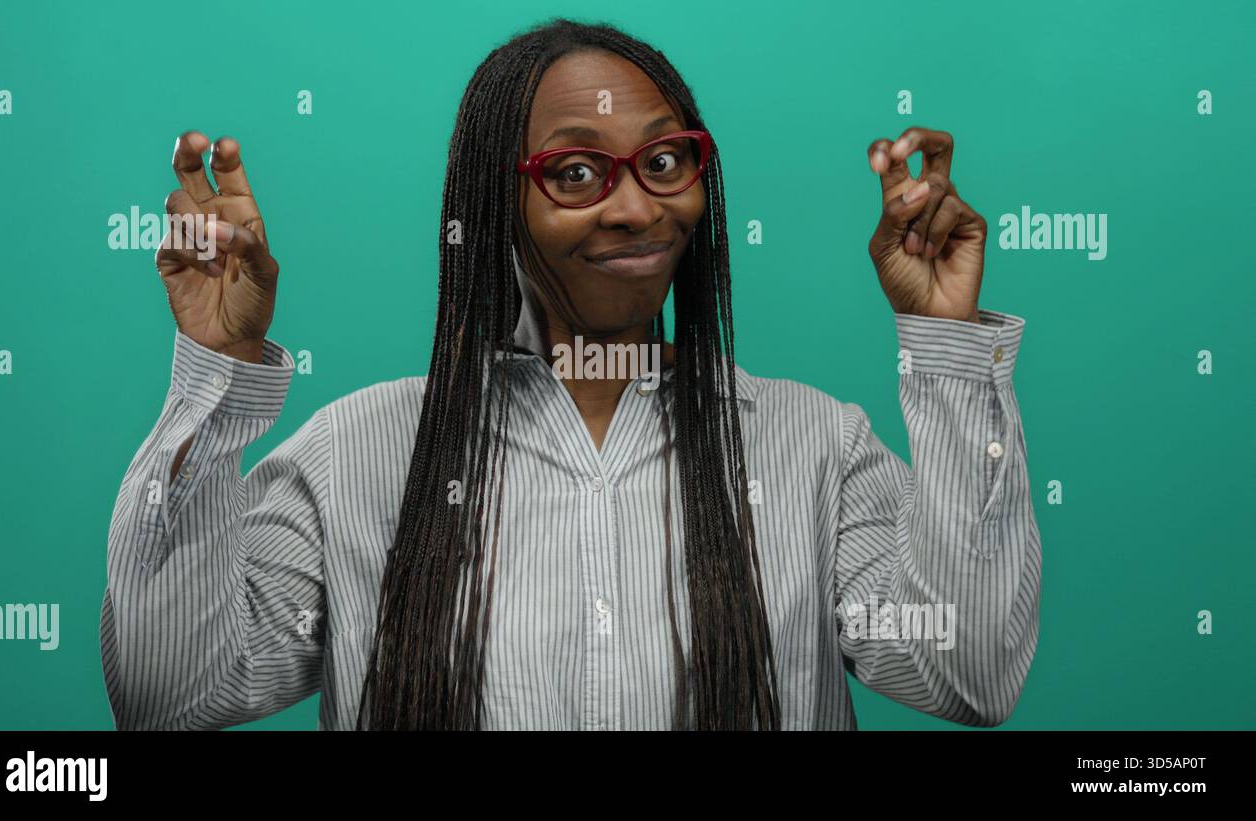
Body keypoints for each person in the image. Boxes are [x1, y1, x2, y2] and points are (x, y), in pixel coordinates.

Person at [101, 18, 1041, 731]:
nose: (636, 207)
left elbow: (971, 671)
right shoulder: (356, 456)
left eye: (666, 161)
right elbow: (168, 691)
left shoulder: (813, 447)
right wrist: (214, 377)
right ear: (493, 204)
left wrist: (942, 342)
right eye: (577, 174)